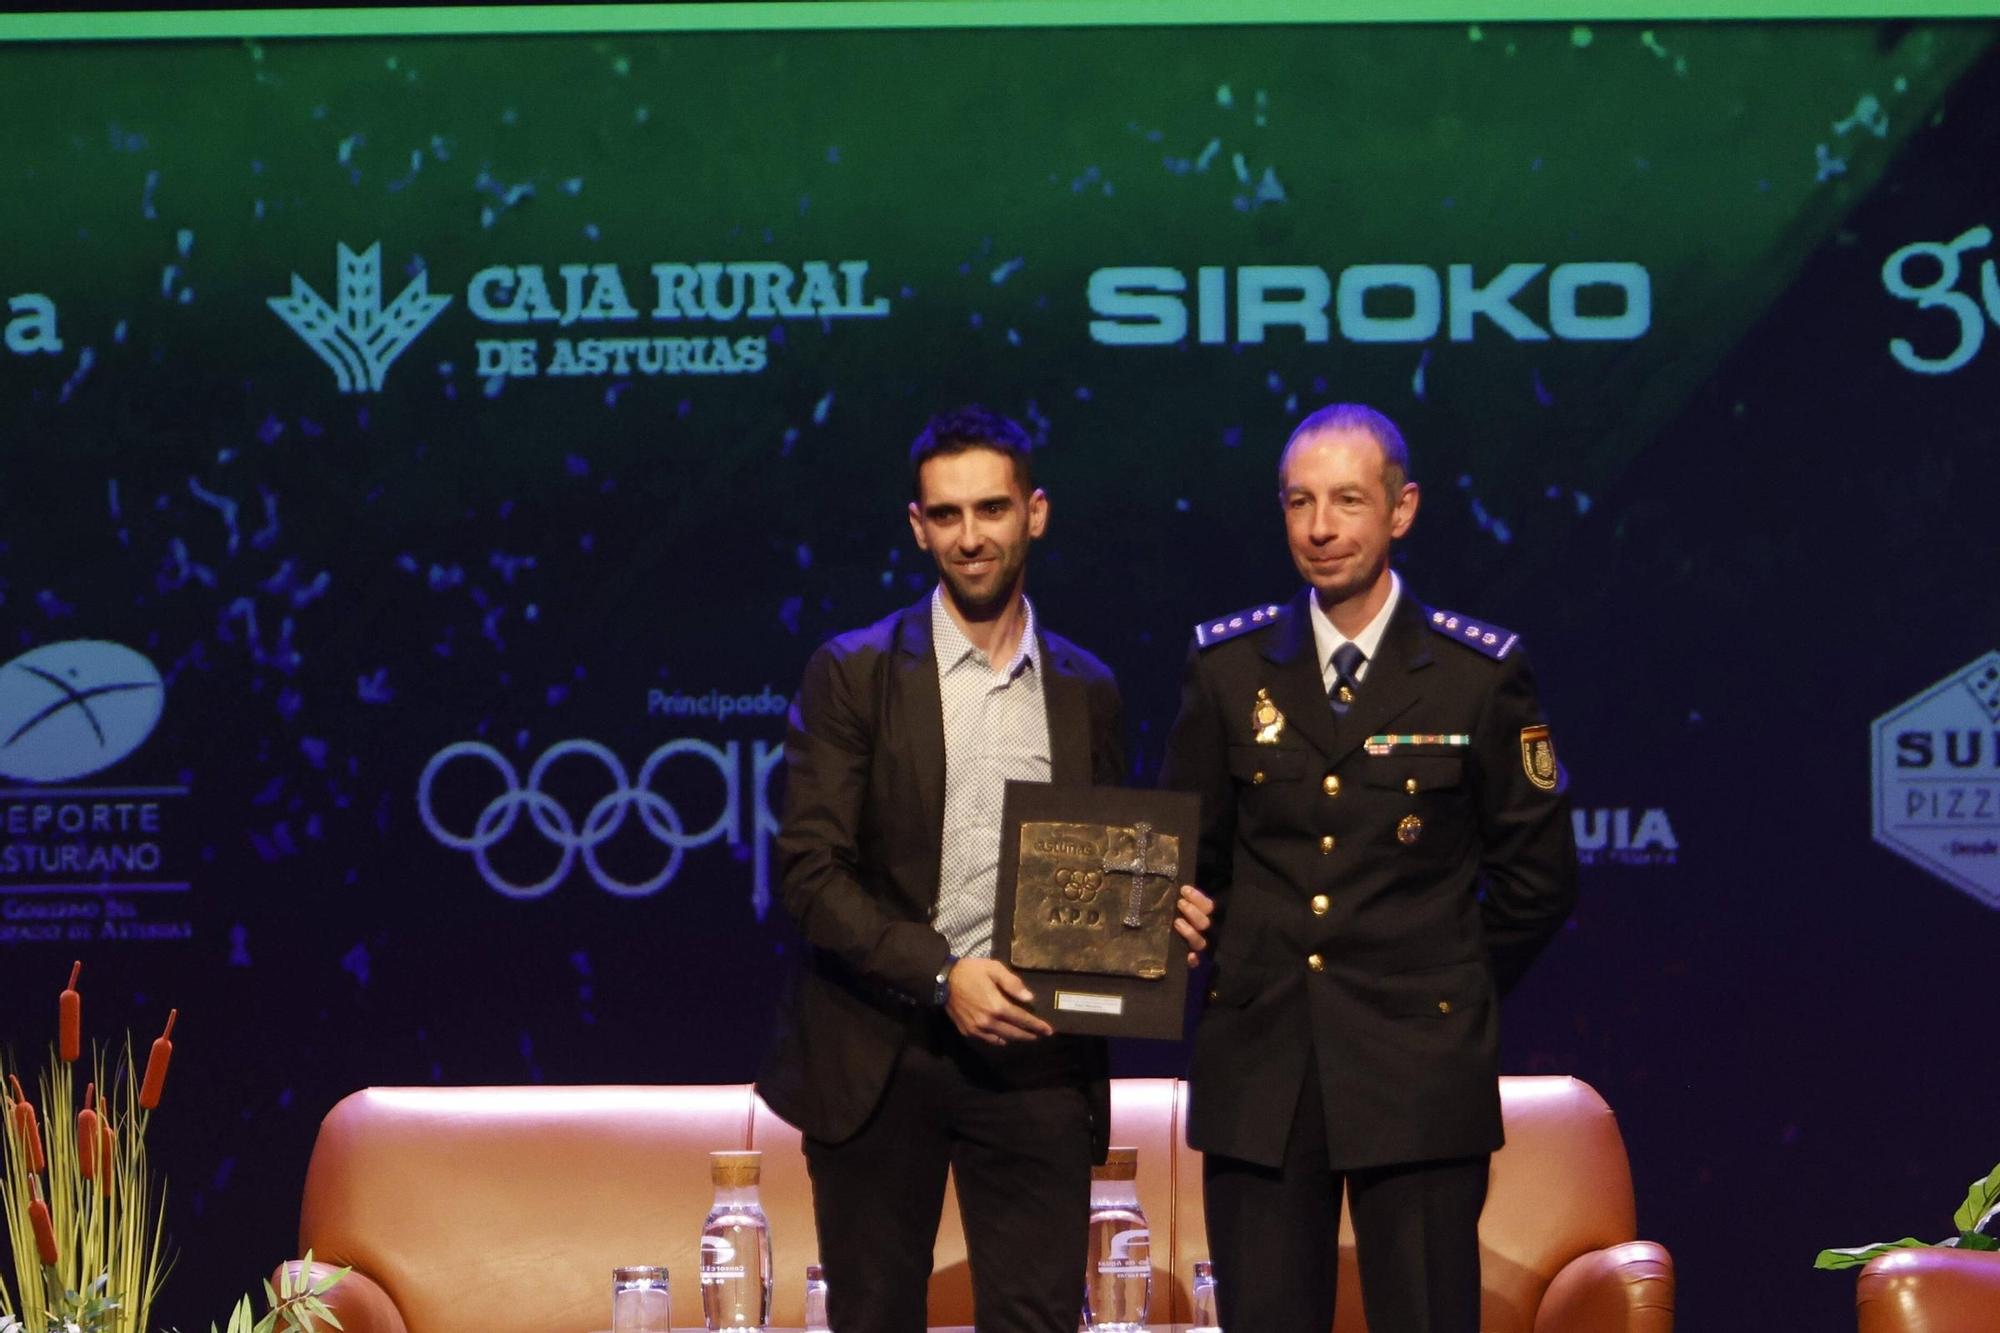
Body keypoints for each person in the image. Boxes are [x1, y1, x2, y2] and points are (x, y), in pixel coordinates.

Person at [758, 406, 1212, 1333]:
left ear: (1034, 514)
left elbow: (1098, 868)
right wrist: (941, 973)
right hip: (880, 1052)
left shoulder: (1088, 687)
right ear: (918, 526)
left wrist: (1154, 916)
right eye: (948, 515)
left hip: (1037, 1055)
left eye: (992, 510)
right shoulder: (851, 673)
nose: (972, 537)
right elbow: (809, 874)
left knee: (1038, 1319)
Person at [1161, 402, 1578, 1333]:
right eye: (1299, 501)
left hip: (1419, 1071)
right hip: (1261, 1069)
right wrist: (1179, 917)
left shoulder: (1478, 674)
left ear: (1403, 509)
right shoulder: (1227, 668)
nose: (1320, 528)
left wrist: (1442, 985)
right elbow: (1191, 857)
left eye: (1348, 500)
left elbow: (1538, 879)